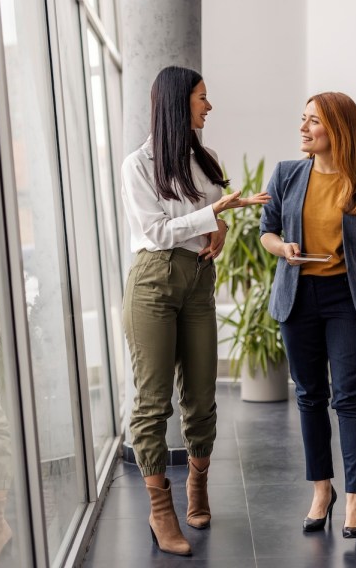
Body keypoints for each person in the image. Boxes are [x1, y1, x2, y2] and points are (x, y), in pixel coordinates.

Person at [121, 66, 269, 556]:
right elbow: (157, 231)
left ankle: (197, 486)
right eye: (202, 98)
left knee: (202, 395)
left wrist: (218, 230)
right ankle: (160, 509)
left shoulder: (206, 160)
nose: (209, 106)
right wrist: (214, 215)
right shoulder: (137, 165)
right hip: (154, 282)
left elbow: (206, 226)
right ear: (177, 102)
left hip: (198, 280)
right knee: (152, 400)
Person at [259, 92, 356, 539]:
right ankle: (322, 490)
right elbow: (267, 233)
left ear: (336, 129)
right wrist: (284, 248)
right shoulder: (287, 174)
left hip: (345, 298)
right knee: (310, 395)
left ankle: (355, 499)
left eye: (312, 121)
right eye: (303, 119)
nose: (303, 128)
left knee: (350, 396)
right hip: (297, 294)